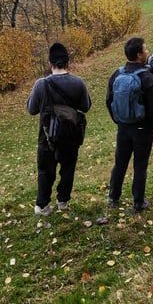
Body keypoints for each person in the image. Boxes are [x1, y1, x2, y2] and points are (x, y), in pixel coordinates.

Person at [26, 43, 92, 216]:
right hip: (70, 134)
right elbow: (86, 107)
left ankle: (43, 206)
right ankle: (63, 201)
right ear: (68, 63)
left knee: (45, 170)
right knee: (68, 169)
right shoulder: (78, 82)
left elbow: (31, 109)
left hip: (47, 136)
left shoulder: (41, 84)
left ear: (50, 63)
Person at [106, 37, 153, 214]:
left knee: (120, 163)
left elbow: (109, 101)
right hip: (142, 128)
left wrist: (118, 120)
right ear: (139, 55)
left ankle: (113, 198)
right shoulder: (147, 77)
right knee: (140, 166)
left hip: (123, 127)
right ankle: (138, 202)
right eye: (145, 50)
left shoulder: (117, 74)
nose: (147, 52)